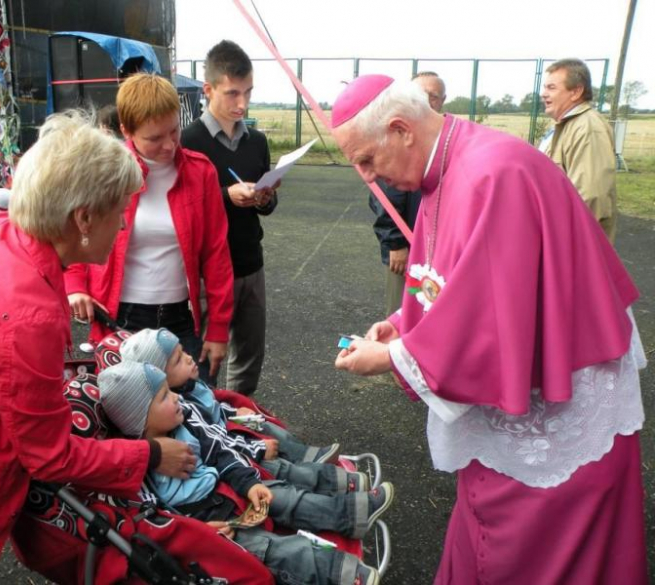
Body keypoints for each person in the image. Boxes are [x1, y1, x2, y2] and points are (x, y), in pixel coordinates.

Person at [331, 75, 647, 584]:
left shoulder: (490, 174)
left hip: (554, 417)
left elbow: (492, 324)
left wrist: (396, 358)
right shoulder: (446, 169)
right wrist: (400, 326)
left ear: (400, 130)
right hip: (528, 392)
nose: (368, 176)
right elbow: (451, 282)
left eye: (367, 160)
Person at [0, 111, 197, 584]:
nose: (125, 225)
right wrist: (149, 455)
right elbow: (49, 456)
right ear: (84, 218)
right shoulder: (27, 313)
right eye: (120, 212)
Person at [98, 359, 394, 585]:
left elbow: (221, 452)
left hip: (229, 491)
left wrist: (250, 485)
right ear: (139, 418)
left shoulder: (184, 421)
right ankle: (340, 573)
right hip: (210, 526)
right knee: (274, 549)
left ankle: (352, 513)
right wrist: (202, 533)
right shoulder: (136, 469)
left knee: (286, 497)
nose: (175, 397)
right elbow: (156, 517)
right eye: (163, 397)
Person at [66, 74, 233, 384]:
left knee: (189, 407)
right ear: (126, 131)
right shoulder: (105, 172)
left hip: (181, 318)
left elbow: (217, 255)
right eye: (155, 138)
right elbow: (77, 234)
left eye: (174, 131)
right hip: (120, 317)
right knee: (125, 414)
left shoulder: (200, 172)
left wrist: (219, 328)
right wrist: (75, 285)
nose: (169, 145)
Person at [122, 328, 358, 477]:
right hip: (230, 445)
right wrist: (253, 443)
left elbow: (215, 406)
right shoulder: (179, 404)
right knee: (271, 454)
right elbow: (212, 440)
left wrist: (236, 412)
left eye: (184, 352)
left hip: (228, 426)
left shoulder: (190, 385)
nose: (189, 358)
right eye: (178, 361)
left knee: (266, 426)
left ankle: (310, 456)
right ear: (161, 374)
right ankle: (314, 470)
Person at [181, 40, 278, 395]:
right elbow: (184, 208)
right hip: (208, 273)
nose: (243, 104)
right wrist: (225, 196)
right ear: (208, 90)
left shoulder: (257, 142)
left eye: (248, 92)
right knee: (204, 361)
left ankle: (239, 422)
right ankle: (205, 426)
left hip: (251, 262)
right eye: (232, 93)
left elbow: (267, 207)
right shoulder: (187, 142)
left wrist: (266, 198)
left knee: (250, 358)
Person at [368, 72, 444, 315]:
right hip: (407, 248)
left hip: (436, 248)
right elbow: (386, 195)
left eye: (434, 96)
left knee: (429, 303)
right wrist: (395, 243)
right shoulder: (397, 137)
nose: (427, 100)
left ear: (442, 100)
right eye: (421, 94)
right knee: (404, 306)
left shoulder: (442, 137)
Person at [540, 58, 618, 243]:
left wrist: (561, 240)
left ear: (576, 92)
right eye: (545, 87)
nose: (543, 94)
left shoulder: (588, 128)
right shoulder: (563, 126)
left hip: (575, 244)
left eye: (551, 88)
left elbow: (591, 196)